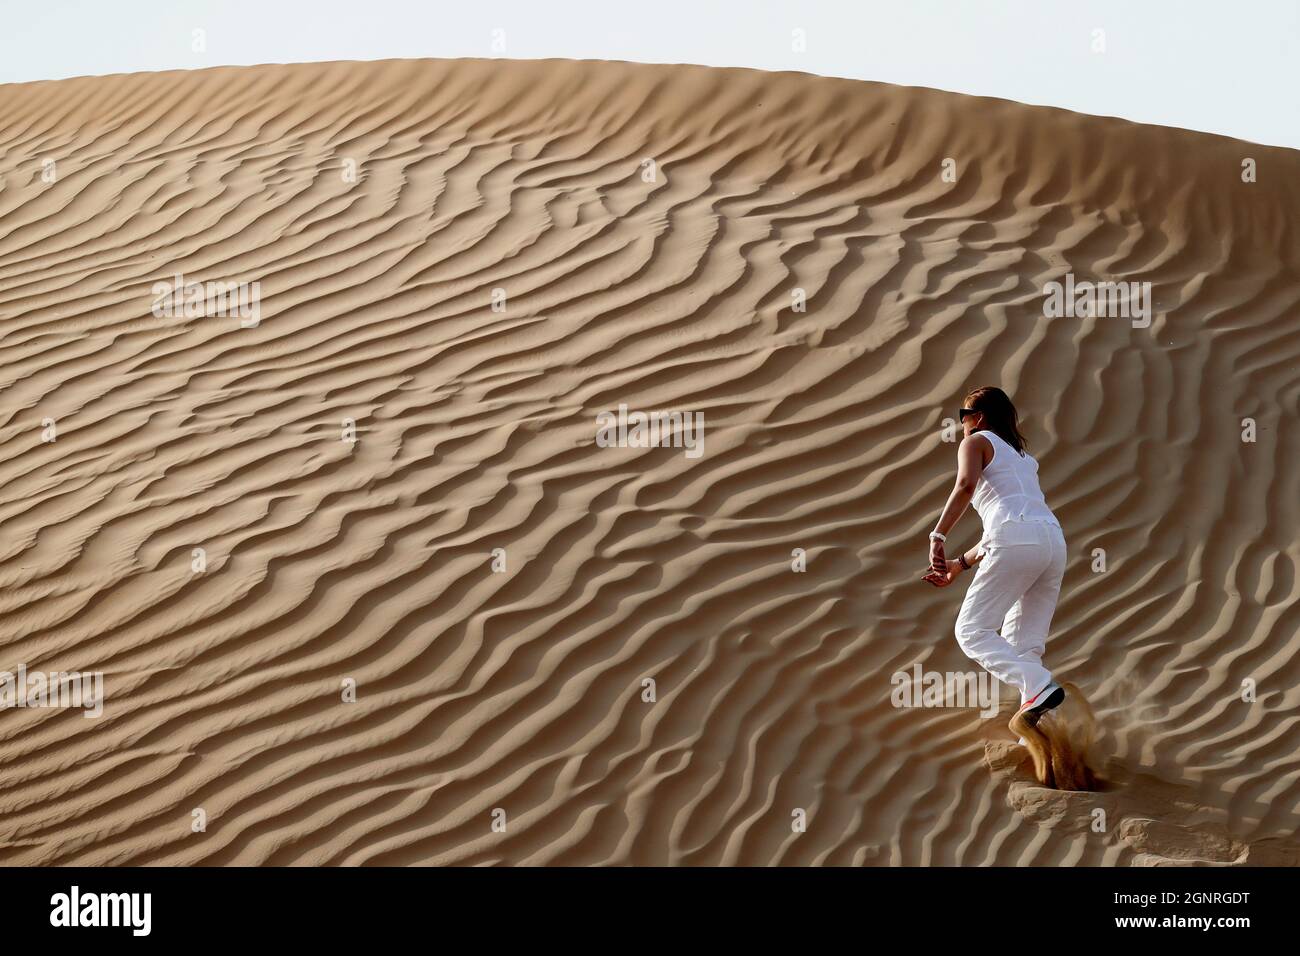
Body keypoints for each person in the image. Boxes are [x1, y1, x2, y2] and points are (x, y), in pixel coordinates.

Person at [921, 386, 1067, 731]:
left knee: (971, 630)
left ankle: (1041, 686)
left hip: (1018, 539)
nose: (962, 424)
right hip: (1052, 541)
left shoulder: (975, 442)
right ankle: (1047, 728)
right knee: (1025, 648)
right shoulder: (1022, 460)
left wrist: (937, 535)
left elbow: (965, 486)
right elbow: (1010, 521)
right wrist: (960, 564)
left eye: (964, 415)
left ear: (979, 417)